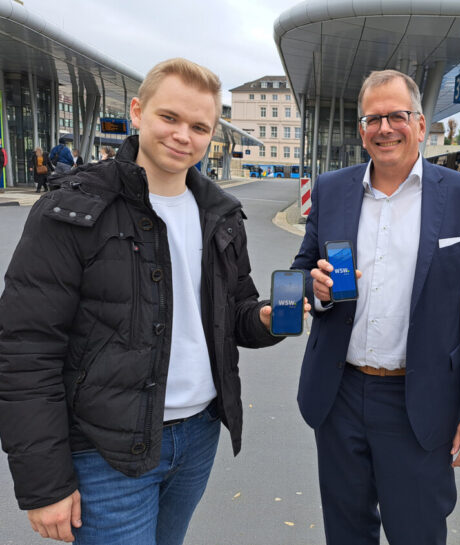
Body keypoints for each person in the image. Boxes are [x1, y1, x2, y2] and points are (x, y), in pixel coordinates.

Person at [0, 58, 307, 545]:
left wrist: (267, 319)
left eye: (199, 126)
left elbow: (239, 311)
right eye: (170, 118)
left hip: (198, 436)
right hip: (106, 451)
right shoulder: (73, 207)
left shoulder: (221, 214)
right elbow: (24, 350)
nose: (183, 135)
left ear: (213, 137)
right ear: (139, 112)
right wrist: (43, 484)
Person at [291, 69, 460, 545]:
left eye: (397, 116)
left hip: (420, 401)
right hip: (340, 392)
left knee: (417, 532)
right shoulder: (331, 189)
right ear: (361, 129)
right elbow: (304, 268)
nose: (385, 128)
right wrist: (315, 288)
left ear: (421, 125)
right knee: (346, 532)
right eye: (373, 118)